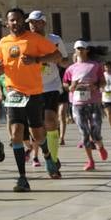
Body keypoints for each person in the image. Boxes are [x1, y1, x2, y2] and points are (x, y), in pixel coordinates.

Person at [0, 7, 63, 192]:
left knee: (37, 134)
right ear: (7, 23)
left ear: (23, 21)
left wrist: (36, 60)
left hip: (33, 92)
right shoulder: (3, 42)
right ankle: (22, 178)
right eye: (11, 20)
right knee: (16, 133)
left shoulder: (34, 39)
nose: (15, 23)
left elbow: (57, 56)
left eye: (18, 19)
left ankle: (47, 156)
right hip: (13, 93)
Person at [27, 11, 68, 176]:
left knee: (50, 120)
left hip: (51, 85)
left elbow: (65, 60)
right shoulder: (26, 41)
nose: (33, 25)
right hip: (32, 87)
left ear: (44, 23)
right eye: (30, 22)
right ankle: (46, 154)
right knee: (37, 127)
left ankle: (53, 159)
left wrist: (59, 60)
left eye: (36, 22)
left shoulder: (55, 40)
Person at [62, 40, 107, 170]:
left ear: (87, 50)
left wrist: (95, 86)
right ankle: (90, 161)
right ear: (75, 51)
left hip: (93, 102)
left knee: (95, 131)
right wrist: (71, 86)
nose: (80, 50)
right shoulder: (71, 68)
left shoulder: (95, 65)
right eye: (78, 48)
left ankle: (100, 146)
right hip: (77, 103)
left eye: (82, 48)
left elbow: (103, 82)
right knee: (84, 133)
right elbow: (65, 83)